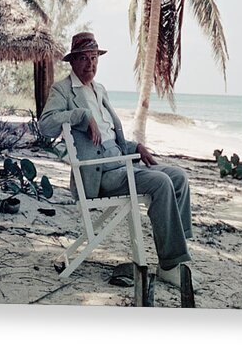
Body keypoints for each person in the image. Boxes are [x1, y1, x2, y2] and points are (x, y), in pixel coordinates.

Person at [39, 31, 196, 289]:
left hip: (122, 160)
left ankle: (176, 251)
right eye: (84, 59)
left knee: (178, 177)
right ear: (73, 61)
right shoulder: (63, 90)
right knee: (160, 183)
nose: (90, 65)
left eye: (94, 59)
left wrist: (137, 146)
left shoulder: (99, 90)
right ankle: (170, 265)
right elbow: (46, 125)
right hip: (100, 173)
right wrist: (81, 116)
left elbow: (113, 135)